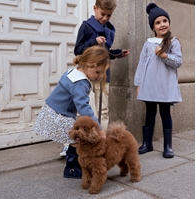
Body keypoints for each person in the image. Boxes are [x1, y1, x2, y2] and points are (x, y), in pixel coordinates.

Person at [60, 0, 129, 157]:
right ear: (95, 8)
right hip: (87, 73)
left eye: (109, 15)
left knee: (103, 109)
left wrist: (118, 53)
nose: (105, 18)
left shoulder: (109, 29)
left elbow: (106, 53)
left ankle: (100, 142)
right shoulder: (87, 26)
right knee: (80, 109)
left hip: (103, 74)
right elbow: (78, 49)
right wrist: (93, 41)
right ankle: (71, 145)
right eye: (102, 14)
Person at [33, 45, 110, 178]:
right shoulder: (80, 83)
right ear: (88, 66)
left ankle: (73, 167)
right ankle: (73, 169)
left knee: (75, 140)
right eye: (98, 72)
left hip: (51, 111)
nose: (100, 76)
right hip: (59, 115)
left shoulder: (72, 72)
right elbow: (83, 107)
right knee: (79, 140)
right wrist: (98, 128)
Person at [134, 3, 182, 158]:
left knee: (165, 113)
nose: (162, 25)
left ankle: (168, 146)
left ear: (168, 22)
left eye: (164, 21)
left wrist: (164, 56)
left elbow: (178, 61)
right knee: (150, 113)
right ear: (153, 27)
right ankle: (147, 143)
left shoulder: (173, 42)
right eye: (158, 22)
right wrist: (138, 83)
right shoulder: (148, 43)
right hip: (149, 85)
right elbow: (141, 64)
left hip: (165, 86)